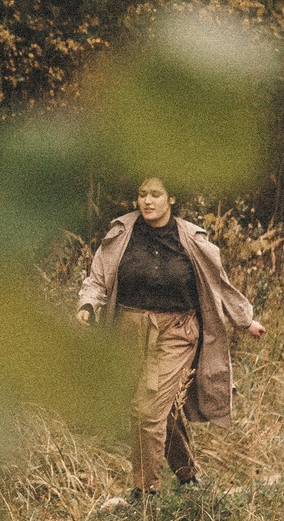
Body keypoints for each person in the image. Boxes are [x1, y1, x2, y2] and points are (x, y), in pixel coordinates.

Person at [76, 177, 265, 500]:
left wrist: (244, 319)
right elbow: (98, 279)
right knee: (160, 406)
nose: (147, 201)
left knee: (147, 410)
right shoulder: (122, 233)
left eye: (155, 194)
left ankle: (145, 492)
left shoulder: (190, 238)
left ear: (171, 198)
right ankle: (188, 476)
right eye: (142, 194)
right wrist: (87, 305)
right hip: (129, 332)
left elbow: (217, 283)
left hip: (177, 331)